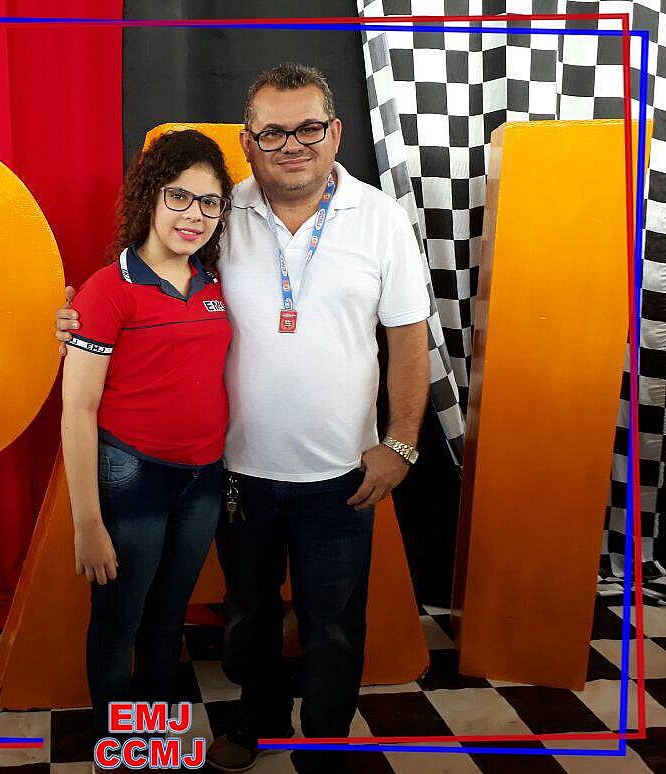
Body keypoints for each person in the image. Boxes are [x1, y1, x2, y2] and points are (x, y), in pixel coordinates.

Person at [58, 63, 431, 773]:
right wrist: (80, 324)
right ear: (249, 142)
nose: (292, 145)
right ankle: (252, 724)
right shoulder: (224, 214)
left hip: (342, 473)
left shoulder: (380, 218)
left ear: (336, 132)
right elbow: (151, 287)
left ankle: (324, 745)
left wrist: (403, 443)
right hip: (235, 475)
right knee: (248, 616)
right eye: (273, 133)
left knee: (333, 625)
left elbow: (409, 336)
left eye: (308, 129)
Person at [61, 129, 235, 747]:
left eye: (209, 202)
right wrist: (88, 522)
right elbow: (77, 410)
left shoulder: (216, 284)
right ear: (150, 197)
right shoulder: (107, 290)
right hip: (132, 478)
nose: (194, 215)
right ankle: (119, 749)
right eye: (178, 196)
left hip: (204, 480)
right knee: (120, 623)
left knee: (168, 620)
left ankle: (155, 741)